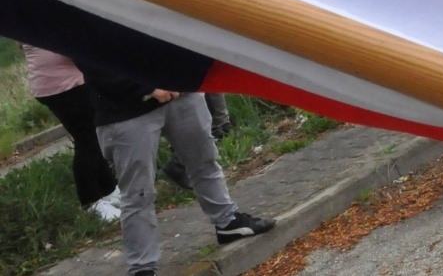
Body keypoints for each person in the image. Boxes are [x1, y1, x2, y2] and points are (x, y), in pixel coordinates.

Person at [83, 66, 275, 276]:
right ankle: (142, 267)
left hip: (182, 93)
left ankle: (227, 222)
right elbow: (88, 59)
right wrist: (147, 86)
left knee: (205, 161)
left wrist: (186, 76)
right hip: (125, 110)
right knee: (138, 192)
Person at [21, 44, 121, 221]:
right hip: (62, 87)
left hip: (61, 83)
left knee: (92, 136)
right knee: (87, 140)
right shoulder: (44, 20)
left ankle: (109, 190)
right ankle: (90, 200)